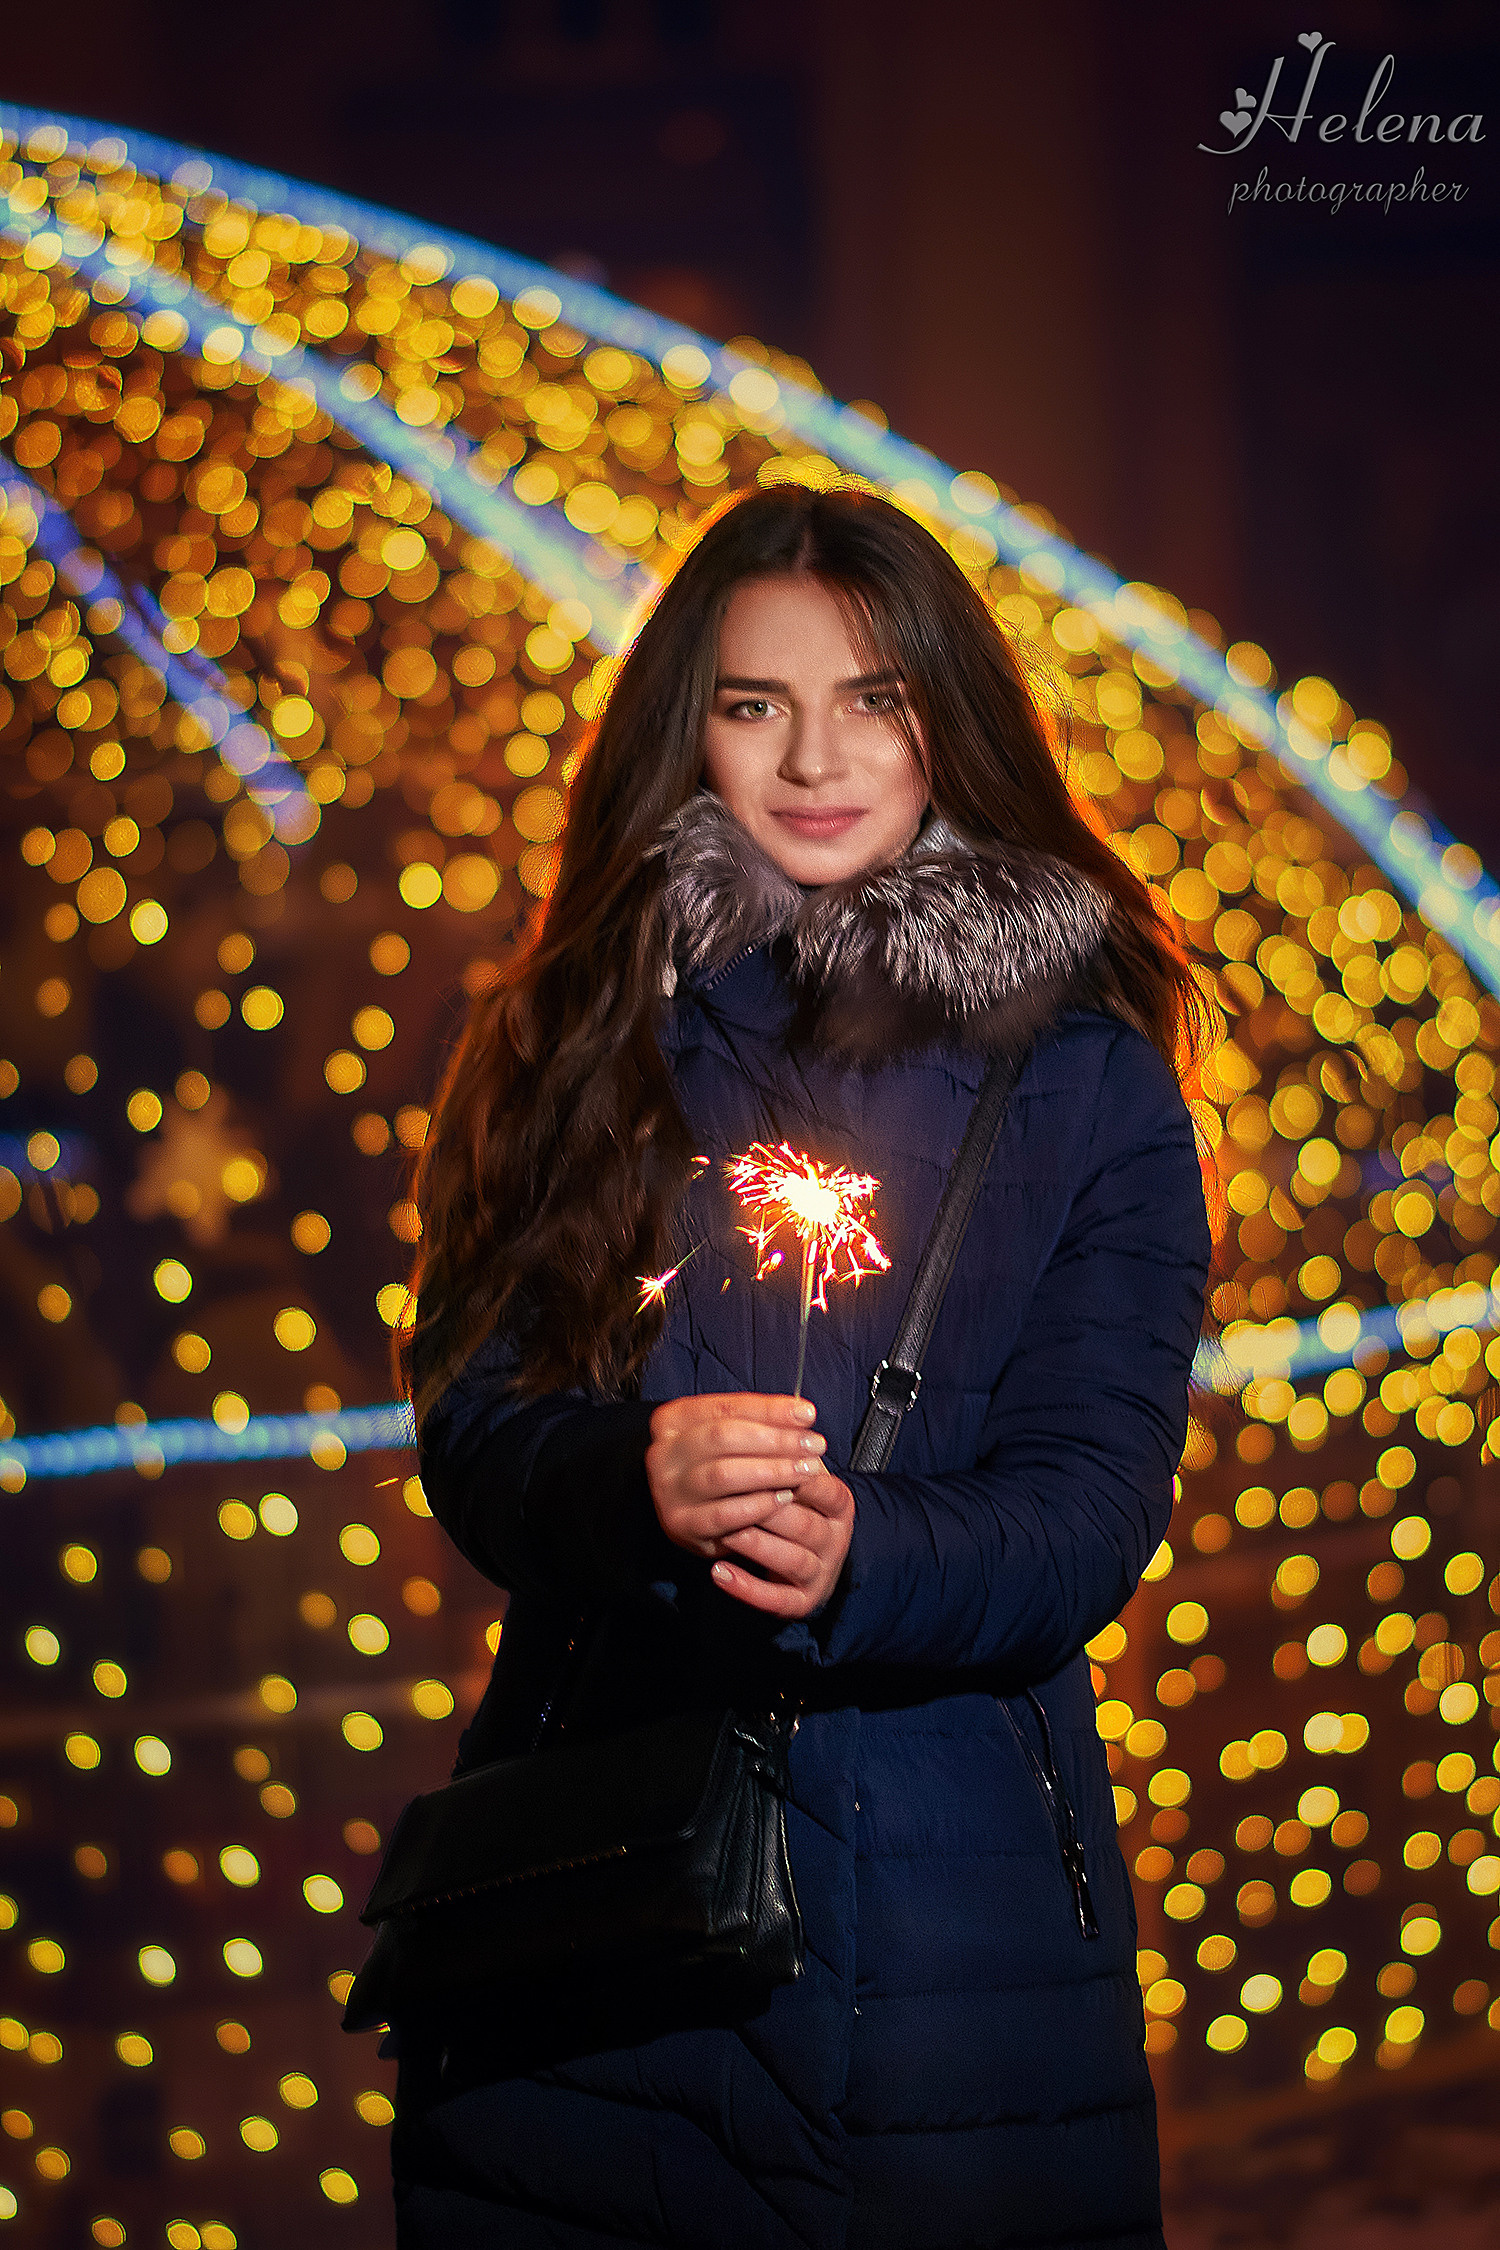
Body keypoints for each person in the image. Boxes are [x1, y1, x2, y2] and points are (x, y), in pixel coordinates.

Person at [390, 483, 1214, 2249]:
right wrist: (632, 1482)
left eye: (872, 698)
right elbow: (476, 1418)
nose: (813, 755)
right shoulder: (584, 1026)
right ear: (691, 725)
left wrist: (866, 1557)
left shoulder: (1088, 1082)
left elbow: (1092, 1495)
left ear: (947, 719)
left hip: (950, 1948)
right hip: (592, 1918)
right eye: (757, 701)